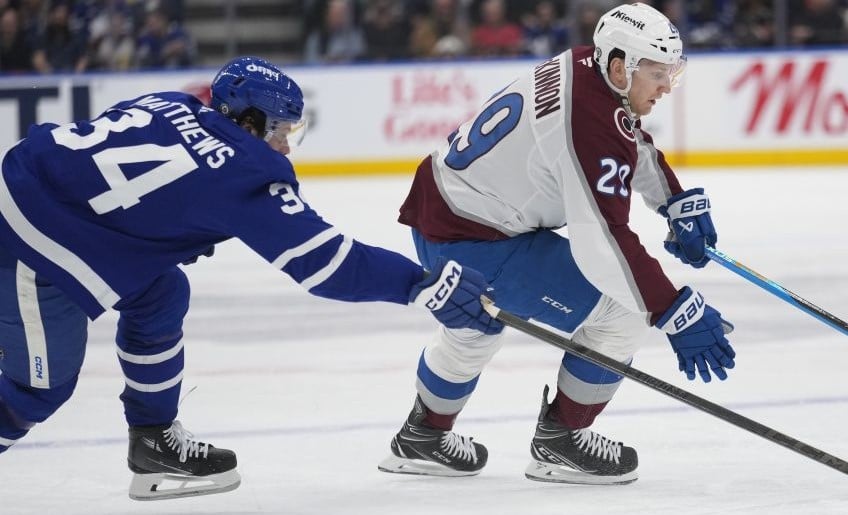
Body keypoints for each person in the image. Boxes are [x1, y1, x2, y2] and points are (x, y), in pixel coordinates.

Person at [0, 56, 502, 500]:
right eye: (281, 129)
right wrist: (420, 284)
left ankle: (153, 439)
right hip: (32, 251)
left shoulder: (164, 102)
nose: (284, 145)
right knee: (36, 391)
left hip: (20, 190)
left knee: (159, 292)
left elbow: (98, 168)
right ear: (248, 120)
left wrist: (162, 229)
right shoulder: (244, 171)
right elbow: (327, 264)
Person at [383, 2, 734, 485]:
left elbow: (625, 134)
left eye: (672, 71)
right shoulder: (586, 123)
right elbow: (603, 243)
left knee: (475, 325)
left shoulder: (586, 64)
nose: (667, 85)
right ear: (620, 66)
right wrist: (672, 309)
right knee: (622, 313)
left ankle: (424, 435)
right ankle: (562, 442)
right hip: (477, 240)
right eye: (656, 73)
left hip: (441, 214)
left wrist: (672, 200)